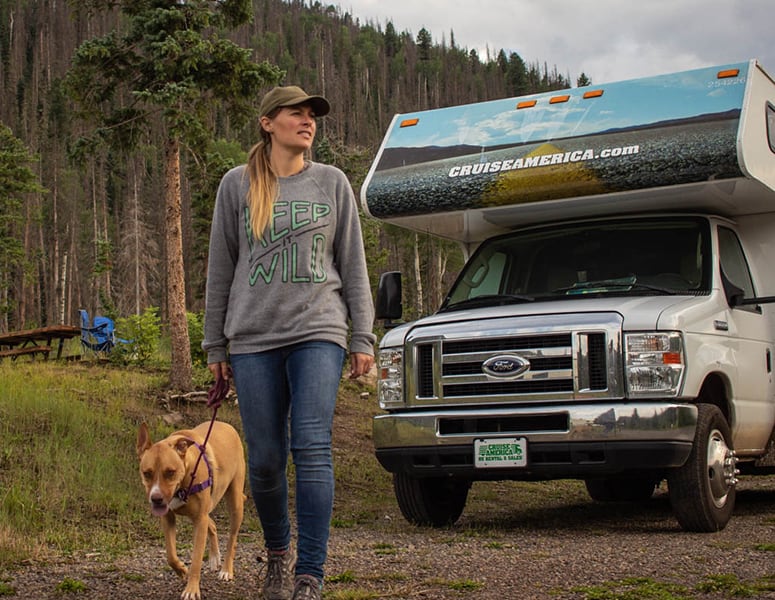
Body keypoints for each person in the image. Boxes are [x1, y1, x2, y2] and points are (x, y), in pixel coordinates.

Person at [202, 85, 376, 600]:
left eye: (312, 116)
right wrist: (216, 348)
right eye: (295, 114)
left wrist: (362, 336)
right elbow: (220, 271)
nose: (307, 122)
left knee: (313, 447)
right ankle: (277, 554)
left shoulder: (332, 183)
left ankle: (310, 574)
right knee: (264, 459)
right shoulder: (236, 187)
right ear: (267, 122)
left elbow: (353, 264)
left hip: (318, 331)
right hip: (252, 339)